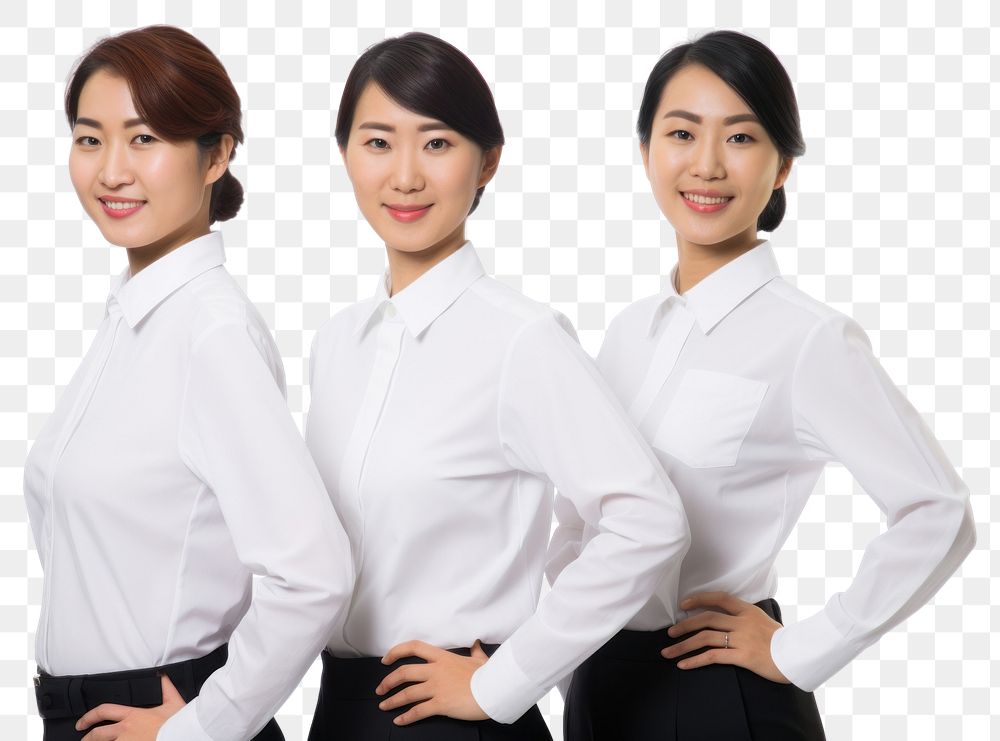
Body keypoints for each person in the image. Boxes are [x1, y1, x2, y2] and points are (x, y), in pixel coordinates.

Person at [551, 30, 977, 740]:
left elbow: (937, 511)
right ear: (646, 150)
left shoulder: (809, 340)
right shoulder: (628, 330)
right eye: (681, 132)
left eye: (741, 138)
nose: (707, 165)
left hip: (718, 695)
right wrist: (569, 654)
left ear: (781, 167)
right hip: (598, 687)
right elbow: (578, 516)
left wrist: (803, 647)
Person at [304, 31, 690, 740]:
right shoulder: (337, 346)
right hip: (338, 710)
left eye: (438, 143)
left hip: (457, 714)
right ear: (346, 155)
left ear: (488, 162)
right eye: (378, 142)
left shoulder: (522, 338)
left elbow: (648, 519)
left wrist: (505, 680)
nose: (406, 176)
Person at [23, 25, 353, 741]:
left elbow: (315, 574)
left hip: (158, 715)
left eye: (144, 139)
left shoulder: (210, 333)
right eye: (89, 139)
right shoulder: (130, 321)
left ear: (217, 154)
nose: (111, 170)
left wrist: (203, 725)